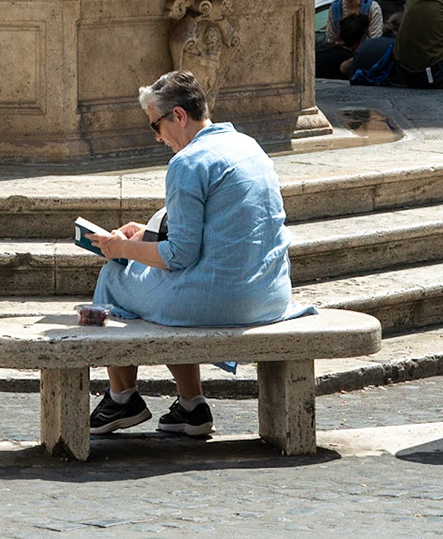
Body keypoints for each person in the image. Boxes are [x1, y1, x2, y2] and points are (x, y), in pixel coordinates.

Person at [82, 70, 304, 439]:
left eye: (156, 125)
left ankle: (122, 397)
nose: (157, 137)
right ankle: (190, 406)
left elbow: (179, 256)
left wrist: (120, 248)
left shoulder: (187, 163)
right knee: (161, 282)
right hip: (271, 293)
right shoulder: (249, 145)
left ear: (179, 116)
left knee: (116, 275)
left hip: (226, 300)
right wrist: (145, 234)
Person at [317, 0, 383, 79]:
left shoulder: (372, 8)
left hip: (364, 63)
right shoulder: (335, 8)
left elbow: (374, 40)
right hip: (340, 62)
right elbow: (331, 38)